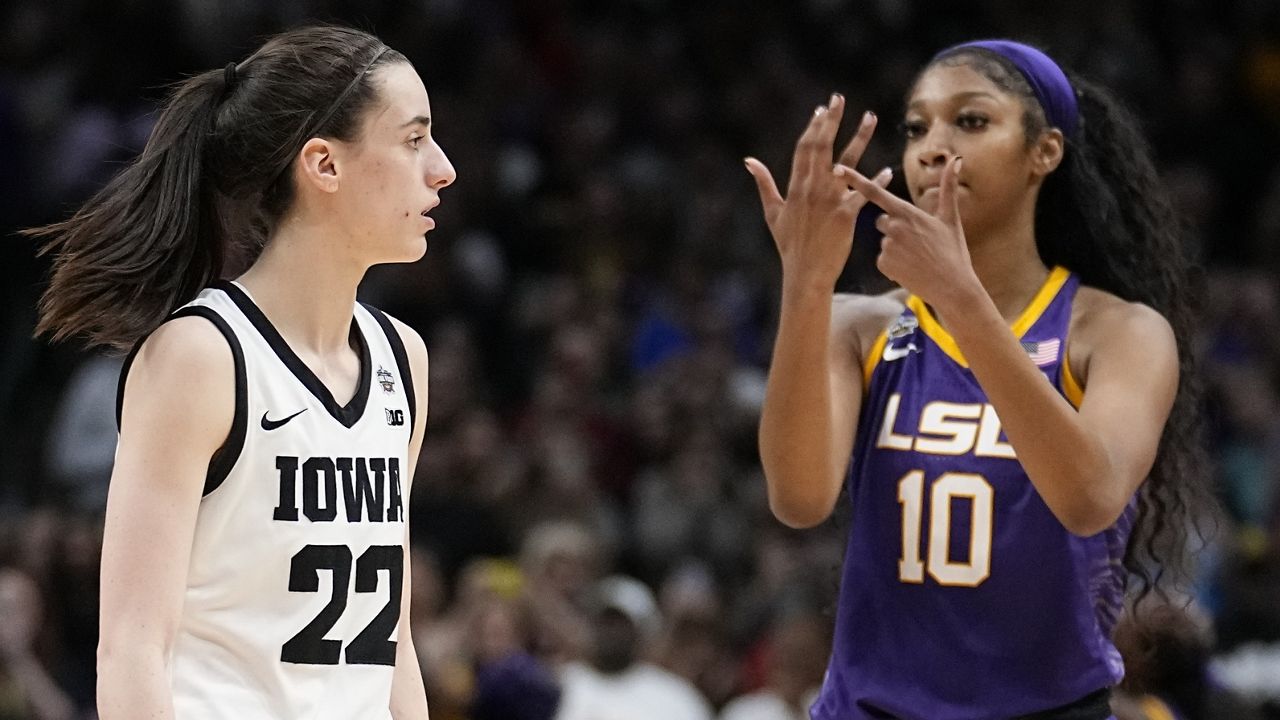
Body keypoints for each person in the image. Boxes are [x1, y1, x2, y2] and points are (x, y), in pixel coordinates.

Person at [746, 39, 1209, 719]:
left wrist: (961, 301)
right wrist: (806, 284)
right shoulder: (859, 325)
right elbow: (799, 497)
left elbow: (1089, 497)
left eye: (970, 120)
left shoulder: (1118, 333)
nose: (933, 147)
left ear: (1044, 152)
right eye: (916, 127)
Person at [27, 24, 455, 719]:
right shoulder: (203, 355)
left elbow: (392, 641)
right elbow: (133, 650)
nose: (443, 168)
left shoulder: (403, 358)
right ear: (324, 165)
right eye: (413, 140)